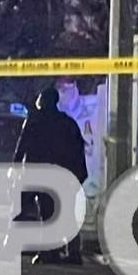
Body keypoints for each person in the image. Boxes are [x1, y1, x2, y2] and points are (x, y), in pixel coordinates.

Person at [13, 86, 88, 264]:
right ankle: (72, 252)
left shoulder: (35, 122)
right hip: (65, 174)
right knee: (67, 213)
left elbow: (22, 148)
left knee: (46, 212)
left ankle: (49, 251)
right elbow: (78, 150)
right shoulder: (67, 123)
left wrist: (16, 170)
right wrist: (79, 174)